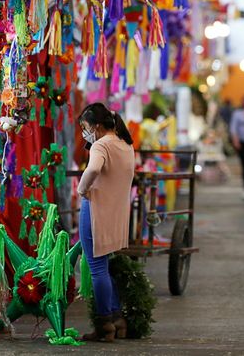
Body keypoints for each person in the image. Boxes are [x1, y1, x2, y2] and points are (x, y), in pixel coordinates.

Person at [76, 103, 136, 342]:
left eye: (86, 127)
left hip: (96, 211)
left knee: (97, 269)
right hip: (116, 214)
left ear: (97, 126)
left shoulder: (101, 145)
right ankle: (117, 318)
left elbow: (93, 170)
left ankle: (104, 325)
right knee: (105, 266)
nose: (85, 132)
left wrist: (82, 188)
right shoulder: (125, 144)